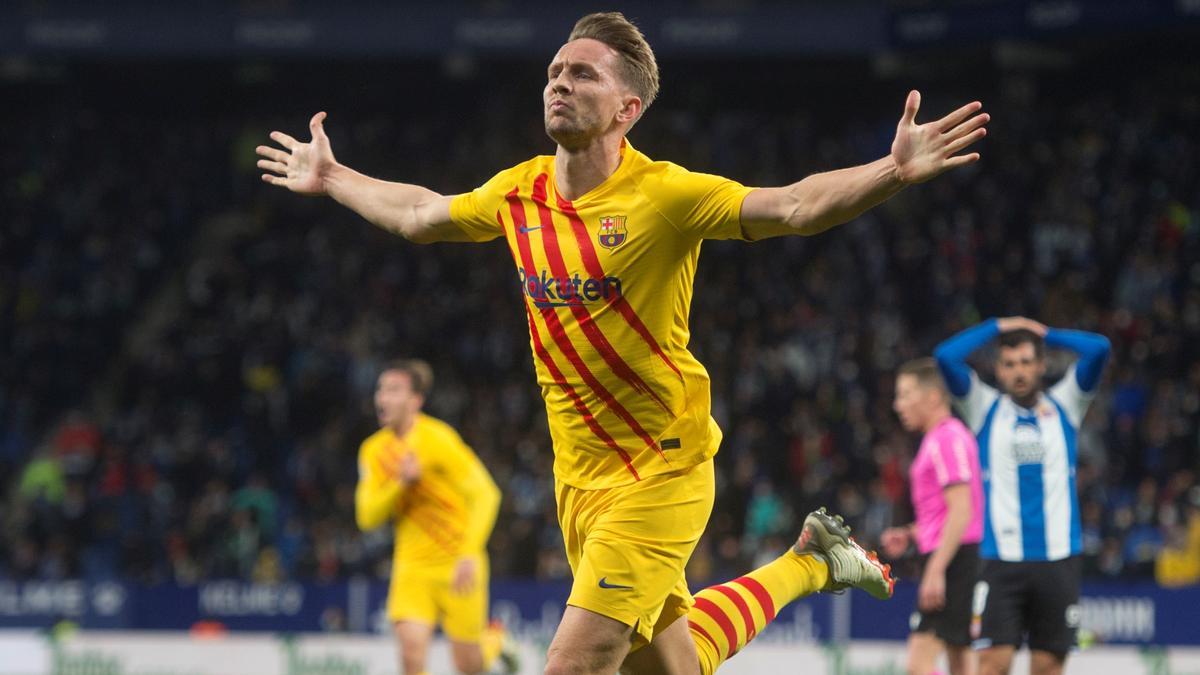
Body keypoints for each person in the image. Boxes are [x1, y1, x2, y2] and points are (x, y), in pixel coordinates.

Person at [259, 12, 988, 673]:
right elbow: (420, 213)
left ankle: (812, 562)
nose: (559, 82)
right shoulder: (519, 193)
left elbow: (793, 205)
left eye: (582, 74)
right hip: (578, 481)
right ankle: (810, 563)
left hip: (660, 470)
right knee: (670, 666)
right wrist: (333, 175)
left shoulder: (666, 194)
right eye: (554, 71)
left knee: (572, 665)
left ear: (627, 108)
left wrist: (892, 170)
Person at [934, 318, 1111, 675]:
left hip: (1058, 558)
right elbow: (945, 357)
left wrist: (1047, 333)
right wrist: (998, 327)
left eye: (1027, 362)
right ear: (997, 370)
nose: (1019, 372)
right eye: (1010, 364)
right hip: (1000, 560)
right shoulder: (982, 407)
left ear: (1042, 365)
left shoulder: (1067, 404)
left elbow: (1100, 348)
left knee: (1047, 667)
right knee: (992, 665)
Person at [355, 360, 512, 675]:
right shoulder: (372, 451)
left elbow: (486, 494)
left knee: (469, 665)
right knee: (411, 658)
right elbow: (367, 517)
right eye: (380, 389)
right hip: (412, 568)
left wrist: (469, 552)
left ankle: (496, 642)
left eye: (394, 390)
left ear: (415, 400)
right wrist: (400, 483)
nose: (382, 398)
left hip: (458, 564)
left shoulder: (439, 439)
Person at [882, 358, 983, 675]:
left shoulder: (946, 438)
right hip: (957, 555)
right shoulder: (941, 438)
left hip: (955, 560)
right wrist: (913, 533)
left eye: (906, 394)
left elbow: (962, 509)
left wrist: (937, 568)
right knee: (960, 660)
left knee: (919, 664)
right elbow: (946, 511)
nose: (899, 405)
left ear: (934, 396)